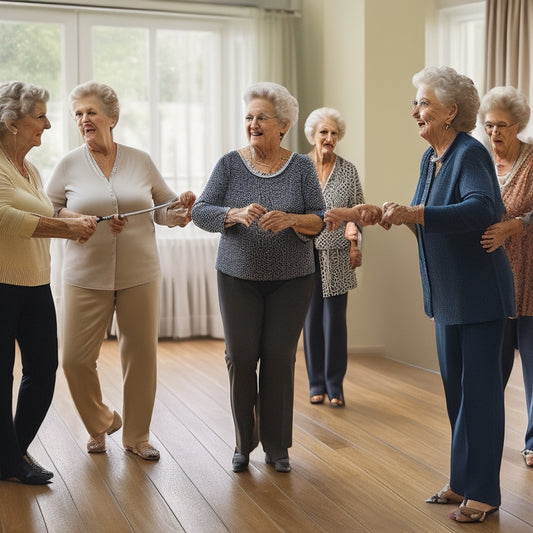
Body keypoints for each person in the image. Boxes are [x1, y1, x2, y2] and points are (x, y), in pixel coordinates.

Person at [378, 66, 515, 523]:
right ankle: (461, 482)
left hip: (479, 297)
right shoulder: (431, 158)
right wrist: (391, 213)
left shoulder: (470, 153)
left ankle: (485, 493)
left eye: (423, 103)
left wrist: (415, 213)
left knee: (480, 396)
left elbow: (480, 208)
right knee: (457, 396)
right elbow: (427, 216)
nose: (414, 111)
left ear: (451, 112)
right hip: (448, 298)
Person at [46, 81, 195, 461]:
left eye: (91, 112)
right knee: (75, 359)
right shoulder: (68, 164)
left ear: (112, 117)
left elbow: (162, 208)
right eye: (78, 114)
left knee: (141, 355)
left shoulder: (141, 160)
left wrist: (178, 214)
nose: (84, 120)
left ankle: (137, 436)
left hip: (141, 273)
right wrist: (79, 218)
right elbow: (48, 210)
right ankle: (100, 422)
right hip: (83, 274)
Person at [192, 82, 325, 474]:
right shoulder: (229, 164)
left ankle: (277, 446)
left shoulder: (301, 166)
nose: (253, 124)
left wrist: (292, 220)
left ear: (283, 125)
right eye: (249, 117)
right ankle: (242, 442)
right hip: (238, 277)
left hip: (292, 278)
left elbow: (319, 218)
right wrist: (231, 214)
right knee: (241, 357)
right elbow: (201, 211)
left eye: (261, 117)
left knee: (279, 359)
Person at [0, 81, 97, 484]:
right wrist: (64, 228)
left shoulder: (31, 169)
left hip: (36, 283)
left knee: (43, 369)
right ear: (11, 121)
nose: (50, 124)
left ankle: (10, 454)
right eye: (40, 116)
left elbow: (44, 211)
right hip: (2, 284)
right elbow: (6, 217)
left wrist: (76, 221)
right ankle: (10, 460)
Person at [479, 86, 533, 467]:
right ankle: (484, 438)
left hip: (531, 277)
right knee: (489, 368)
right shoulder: (479, 161)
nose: (494, 133)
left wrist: (517, 225)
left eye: (501, 126)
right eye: (488, 125)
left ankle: (532, 443)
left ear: (519, 126)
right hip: (491, 283)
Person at [302, 107, 365, 408]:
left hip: (338, 254)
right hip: (303, 251)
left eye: (334, 133)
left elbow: (360, 210)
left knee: (335, 321)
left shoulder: (349, 170)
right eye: (323, 132)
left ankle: (335, 385)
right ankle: (316, 383)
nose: (329, 138)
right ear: (313, 136)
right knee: (311, 319)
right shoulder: (299, 168)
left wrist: (355, 232)